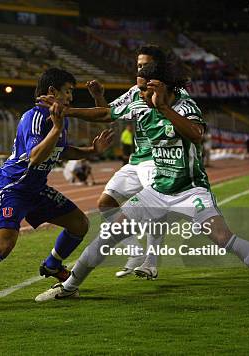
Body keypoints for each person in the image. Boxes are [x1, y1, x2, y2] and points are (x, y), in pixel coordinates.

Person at [35, 61, 249, 304]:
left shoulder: (185, 107)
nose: (137, 95)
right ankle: (68, 288)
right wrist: (67, 111)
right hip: (158, 189)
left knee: (223, 237)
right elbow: (104, 113)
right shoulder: (139, 104)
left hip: (191, 190)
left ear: (160, 87)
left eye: (144, 89)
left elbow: (196, 135)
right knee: (108, 235)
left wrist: (162, 107)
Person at [0, 68, 114, 309]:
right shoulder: (36, 117)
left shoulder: (59, 117)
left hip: (36, 188)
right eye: (67, 91)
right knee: (4, 244)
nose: (70, 97)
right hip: (13, 187)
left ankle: (52, 265)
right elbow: (36, 157)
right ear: (52, 91)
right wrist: (57, 128)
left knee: (79, 224)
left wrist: (92, 152)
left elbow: (62, 149)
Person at [79, 45, 196, 279]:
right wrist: (98, 96)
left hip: (158, 158)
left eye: (144, 65)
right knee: (106, 203)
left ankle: (151, 262)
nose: (140, 69)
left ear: (157, 67)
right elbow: (107, 114)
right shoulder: (134, 91)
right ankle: (134, 251)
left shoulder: (176, 94)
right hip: (136, 160)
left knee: (155, 208)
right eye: (138, 64)